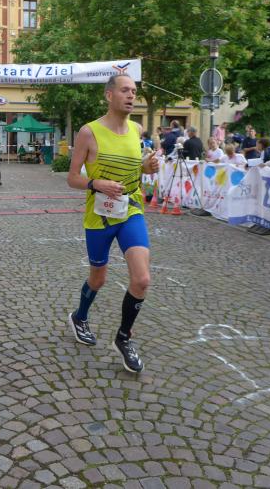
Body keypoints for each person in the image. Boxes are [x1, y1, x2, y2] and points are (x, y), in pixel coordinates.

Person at [66, 74, 159, 373]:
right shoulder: (88, 132)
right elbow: (72, 178)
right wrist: (96, 183)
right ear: (109, 95)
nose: (131, 95)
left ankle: (123, 338)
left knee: (142, 279)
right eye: (125, 90)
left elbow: (135, 169)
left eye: (134, 91)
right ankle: (80, 317)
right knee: (98, 279)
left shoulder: (137, 129)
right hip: (100, 216)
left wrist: (146, 167)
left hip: (131, 210)